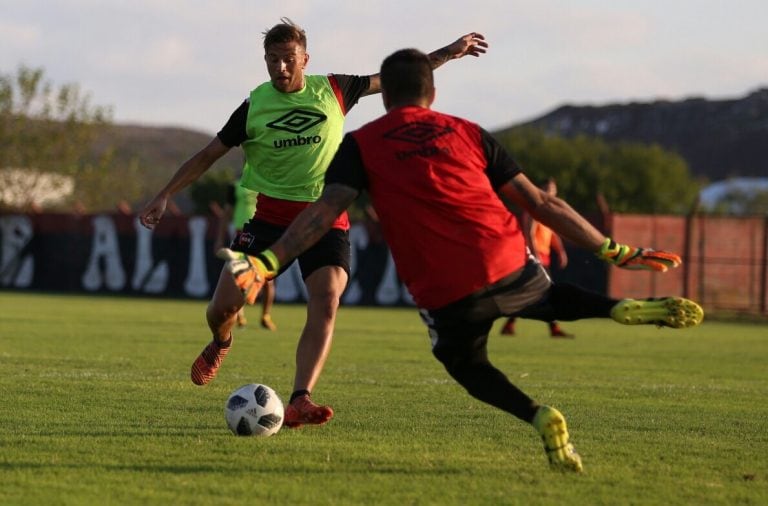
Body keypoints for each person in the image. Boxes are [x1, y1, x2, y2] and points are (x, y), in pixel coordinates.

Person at [223, 48, 704, 472]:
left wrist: (269, 259)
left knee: (465, 363)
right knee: (549, 299)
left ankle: (539, 415)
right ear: (431, 92)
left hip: (445, 285)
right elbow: (542, 203)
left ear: (385, 94)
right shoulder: (470, 132)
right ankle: (616, 308)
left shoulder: (362, 144)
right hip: (505, 255)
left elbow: (324, 212)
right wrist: (614, 249)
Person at [139, 18, 489, 429]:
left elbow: (400, 77)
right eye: (272, 60)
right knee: (221, 309)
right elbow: (206, 155)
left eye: (288, 60)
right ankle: (222, 340)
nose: (281, 69)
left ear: (305, 58)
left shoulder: (336, 89)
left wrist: (450, 51)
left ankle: (300, 399)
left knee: (326, 298)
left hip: (326, 218)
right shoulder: (254, 106)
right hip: (269, 221)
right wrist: (165, 193)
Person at [501, 178, 572, 338]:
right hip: (535, 257)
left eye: (553, 189)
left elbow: (552, 234)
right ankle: (554, 329)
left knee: (527, 293)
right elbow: (530, 232)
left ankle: (509, 324)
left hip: (544, 257)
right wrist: (535, 255)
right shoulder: (535, 208)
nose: (550, 192)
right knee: (547, 292)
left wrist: (560, 251)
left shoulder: (549, 210)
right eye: (547, 188)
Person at [214, 175, 277, 330]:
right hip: (242, 234)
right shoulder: (235, 186)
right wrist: (219, 238)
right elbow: (226, 213)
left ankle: (265, 315)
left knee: (268, 279)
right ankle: (239, 315)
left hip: (264, 234)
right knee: (240, 275)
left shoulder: (268, 181)